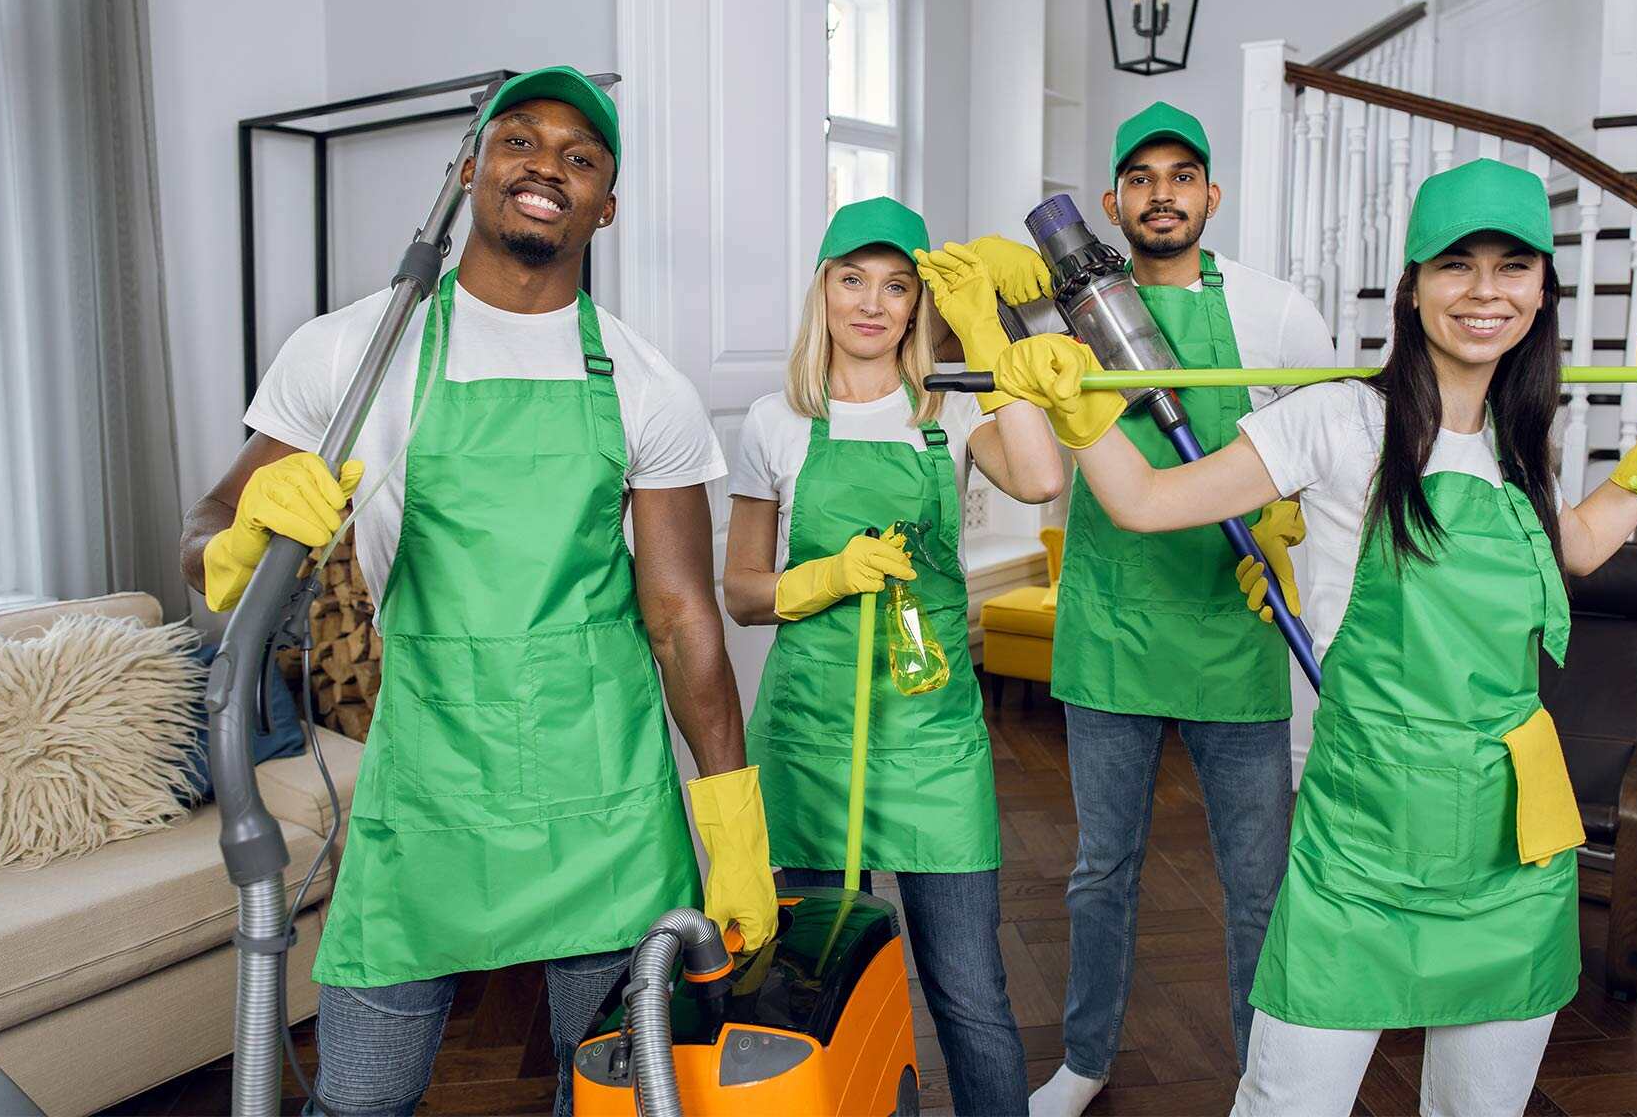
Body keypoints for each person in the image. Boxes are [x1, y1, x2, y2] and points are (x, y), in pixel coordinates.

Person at [985, 158, 1637, 1116]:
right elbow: (1146, 500)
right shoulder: (1337, 419)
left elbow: (1576, 548)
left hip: (1512, 849)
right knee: (1288, 1102)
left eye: (1513, 268)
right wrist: (1073, 413)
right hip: (1365, 848)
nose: (1486, 292)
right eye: (1457, 266)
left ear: (1543, 294)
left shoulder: (1518, 438)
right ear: (1413, 289)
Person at [178, 66, 777, 1117]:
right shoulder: (351, 354)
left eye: (580, 156)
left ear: (606, 204)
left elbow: (682, 619)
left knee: (610, 1094)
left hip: (605, 801)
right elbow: (203, 534)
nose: (547, 163)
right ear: (470, 171)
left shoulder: (646, 382)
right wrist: (245, 537)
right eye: (520, 141)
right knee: (358, 1096)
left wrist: (734, 828)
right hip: (429, 788)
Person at [1008, 102, 1334, 1117]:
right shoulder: (1066, 322)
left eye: (1180, 174)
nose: (1161, 192)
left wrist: (1285, 529)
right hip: (1111, 621)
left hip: (1236, 626)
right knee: (1099, 870)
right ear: (1111, 203)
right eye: (1140, 177)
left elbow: (1327, 451)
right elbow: (1031, 449)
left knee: (1256, 884)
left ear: (1210, 195)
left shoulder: (1276, 310)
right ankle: (1086, 1056)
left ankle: (1266, 1078)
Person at [723, 196, 1065, 1117]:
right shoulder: (774, 423)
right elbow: (740, 593)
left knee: (970, 990)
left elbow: (1042, 478)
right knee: (807, 991)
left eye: (897, 286)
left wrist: (990, 346)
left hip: (932, 744)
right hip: (809, 741)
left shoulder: (948, 411)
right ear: (822, 291)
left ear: (919, 304)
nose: (872, 303)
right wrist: (824, 578)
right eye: (852, 279)